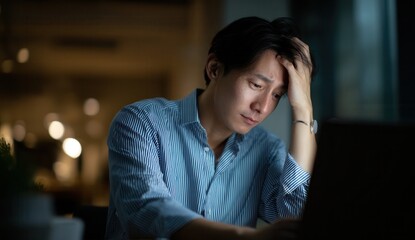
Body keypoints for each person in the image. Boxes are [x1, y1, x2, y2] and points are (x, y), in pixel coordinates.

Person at [105, 16, 317, 240]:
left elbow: (296, 215)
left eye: (277, 95)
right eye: (256, 85)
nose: (262, 107)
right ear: (214, 68)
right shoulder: (141, 122)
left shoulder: (266, 148)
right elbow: (147, 210)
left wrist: (303, 110)